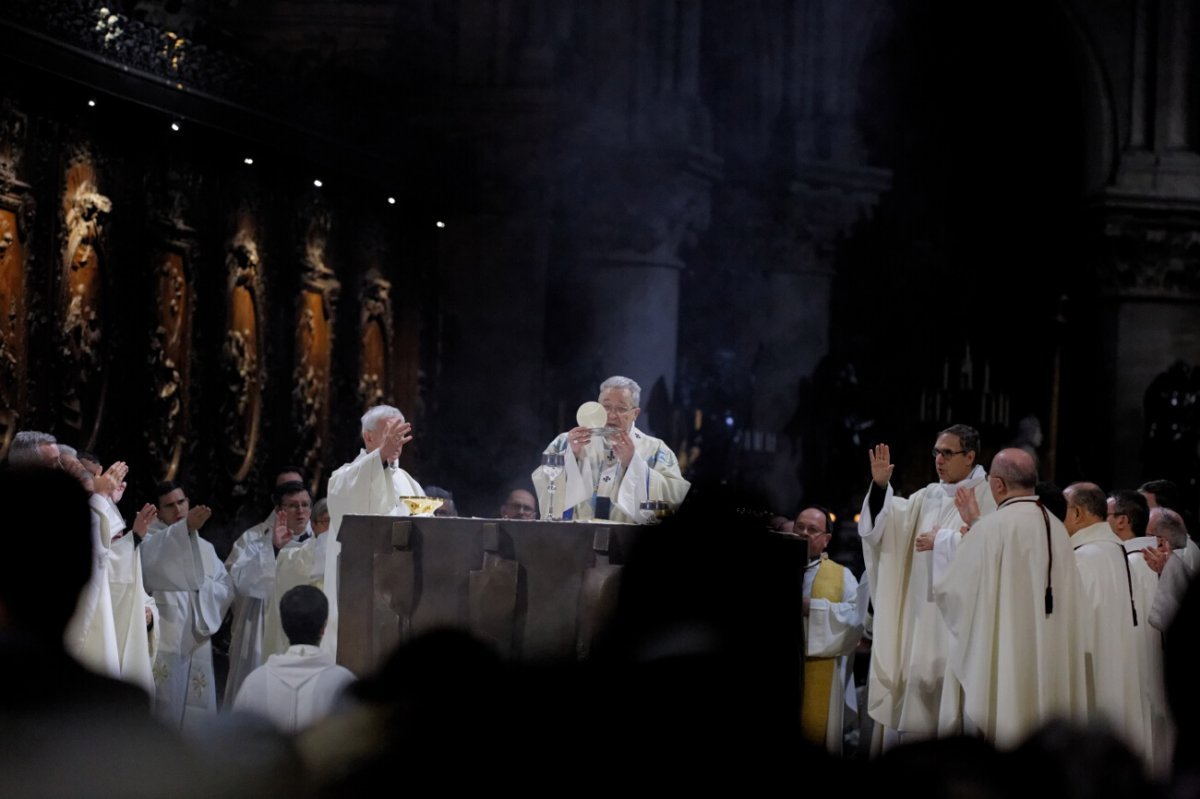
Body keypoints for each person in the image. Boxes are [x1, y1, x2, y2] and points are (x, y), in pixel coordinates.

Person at [933, 448, 1086, 748]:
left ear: (998, 485)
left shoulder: (993, 527)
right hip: (1050, 652)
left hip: (1007, 652)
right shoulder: (1056, 528)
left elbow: (951, 591)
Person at [858, 424, 996, 750]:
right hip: (921, 618)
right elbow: (887, 526)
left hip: (959, 625)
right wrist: (880, 487)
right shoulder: (928, 495)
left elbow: (992, 548)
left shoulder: (989, 496)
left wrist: (944, 541)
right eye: (936, 452)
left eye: (947, 453)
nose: (939, 460)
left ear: (970, 456)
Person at [324, 404, 425, 657]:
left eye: (400, 434)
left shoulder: (409, 482)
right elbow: (351, 498)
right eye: (390, 432)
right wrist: (380, 455)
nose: (396, 440)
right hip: (362, 592)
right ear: (368, 436)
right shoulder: (344, 477)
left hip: (404, 591)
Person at [1061, 482, 1150, 763]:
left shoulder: (1083, 558)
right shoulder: (1114, 552)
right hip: (1118, 668)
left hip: (1093, 673)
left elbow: (1072, 630)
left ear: (1076, 514)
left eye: (1061, 511)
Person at [139, 480, 235, 731]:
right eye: (169, 505)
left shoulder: (205, 547)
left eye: (181, 502)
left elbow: (225, 587)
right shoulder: (149, 541)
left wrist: (202, 587)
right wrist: (185, 529)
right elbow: (149, 567)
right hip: (165, 637)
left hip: (195, 637)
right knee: (164, 707)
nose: (178, 509)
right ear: (158, 511)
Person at [531, 375, 689, 523]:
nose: (611, 415)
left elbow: (674, 496)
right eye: (606, 407)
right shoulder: (566, 442)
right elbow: (543, 480)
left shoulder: (656, 450)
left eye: (621, 409)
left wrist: (633, 464)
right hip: (575, 540)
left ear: (635, 413)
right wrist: (570, 456)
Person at [224, 467, 309, 704]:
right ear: (279, 509)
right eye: (294, 505)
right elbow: (236, 583)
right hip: (261, 631)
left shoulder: (318, 541)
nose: (301, 512)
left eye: (305, 505)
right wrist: (272, 550)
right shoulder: (254, 539)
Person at [232, 585, 355, 733]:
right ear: (323, 627)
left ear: (283, 626)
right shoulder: (343, 683)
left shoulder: (254, 682)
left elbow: (236, 744)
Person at [794, 505, 865, 755]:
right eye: (799, 527)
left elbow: (857, 620)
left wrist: (813, 608)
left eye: (812, 530)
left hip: (817, 670)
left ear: (826, 540)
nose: (803, 533)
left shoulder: (841, 576)